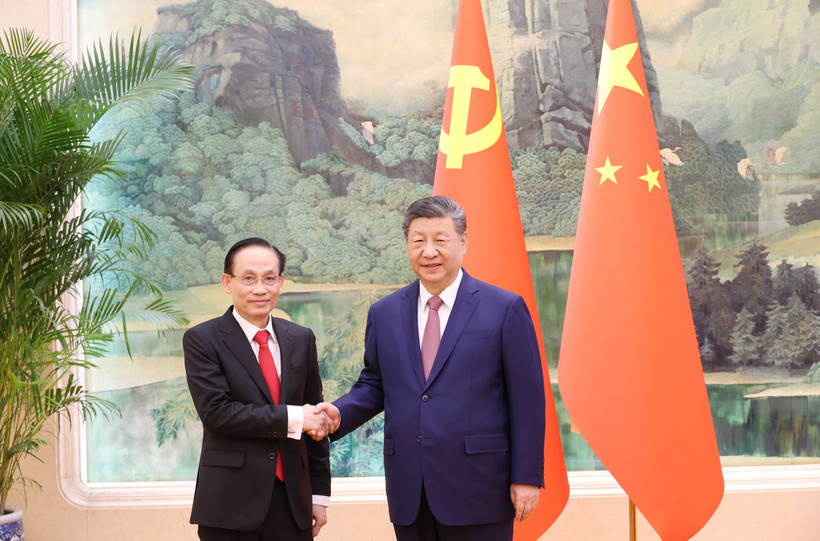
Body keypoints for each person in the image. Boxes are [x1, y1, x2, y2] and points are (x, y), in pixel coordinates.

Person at [316, 196, 546, 541]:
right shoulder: (385, 313)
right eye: (418, 241)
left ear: (463, 242)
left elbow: (527, 399)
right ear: (407, 245)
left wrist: (526, 476)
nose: (429, 251)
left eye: (440, 240)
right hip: (411, 487)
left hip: (481, 486)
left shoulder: (504, 308)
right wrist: (336, 412)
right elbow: (375, 385)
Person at [184, 238, 332, 541]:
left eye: (269, 278)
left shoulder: (301, 338)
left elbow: (314, 418)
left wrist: (319, 495)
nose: (260, 289)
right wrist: (296, 419)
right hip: (230, 504)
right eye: (248, 278)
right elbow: (218, 414)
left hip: (293, 502)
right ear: (227, 282)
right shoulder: (203, 339)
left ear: (280, 282)